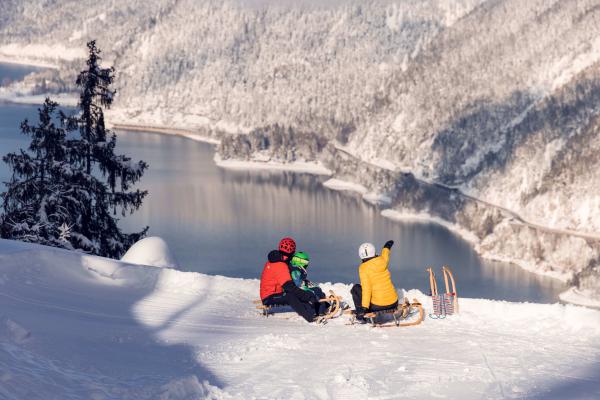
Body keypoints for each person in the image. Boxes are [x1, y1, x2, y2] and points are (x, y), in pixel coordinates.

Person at [260, 237, 317, 322]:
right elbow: (289, 287)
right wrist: (307, 296)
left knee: (296, 292)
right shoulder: (280, 265)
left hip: (273, 293)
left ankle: (315, 309)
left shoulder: (275, 261)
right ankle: (311, 317)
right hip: (269, 297)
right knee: (291, 296)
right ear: (293, 252)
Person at [351, 240, 398, 323]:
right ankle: (363, 310)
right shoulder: (382, 260)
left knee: (356, 288)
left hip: (378, 306)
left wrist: (364, 308)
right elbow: (385, 255)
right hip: (393, 303)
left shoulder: (363, 268)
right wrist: (386, 247)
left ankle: (361, 314)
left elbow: (367, 289)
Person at [289, 251, 330, 315]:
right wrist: (308, 289)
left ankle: (326, 305)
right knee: (314, 293)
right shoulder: (295, 271)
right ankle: (320, 310)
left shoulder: (295, 268)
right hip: (297, 290)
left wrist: (307, 283)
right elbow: (297, 284)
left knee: (317, 289)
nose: (306, 264)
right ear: (300, 261)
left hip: (298, 287)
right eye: (305, 262)